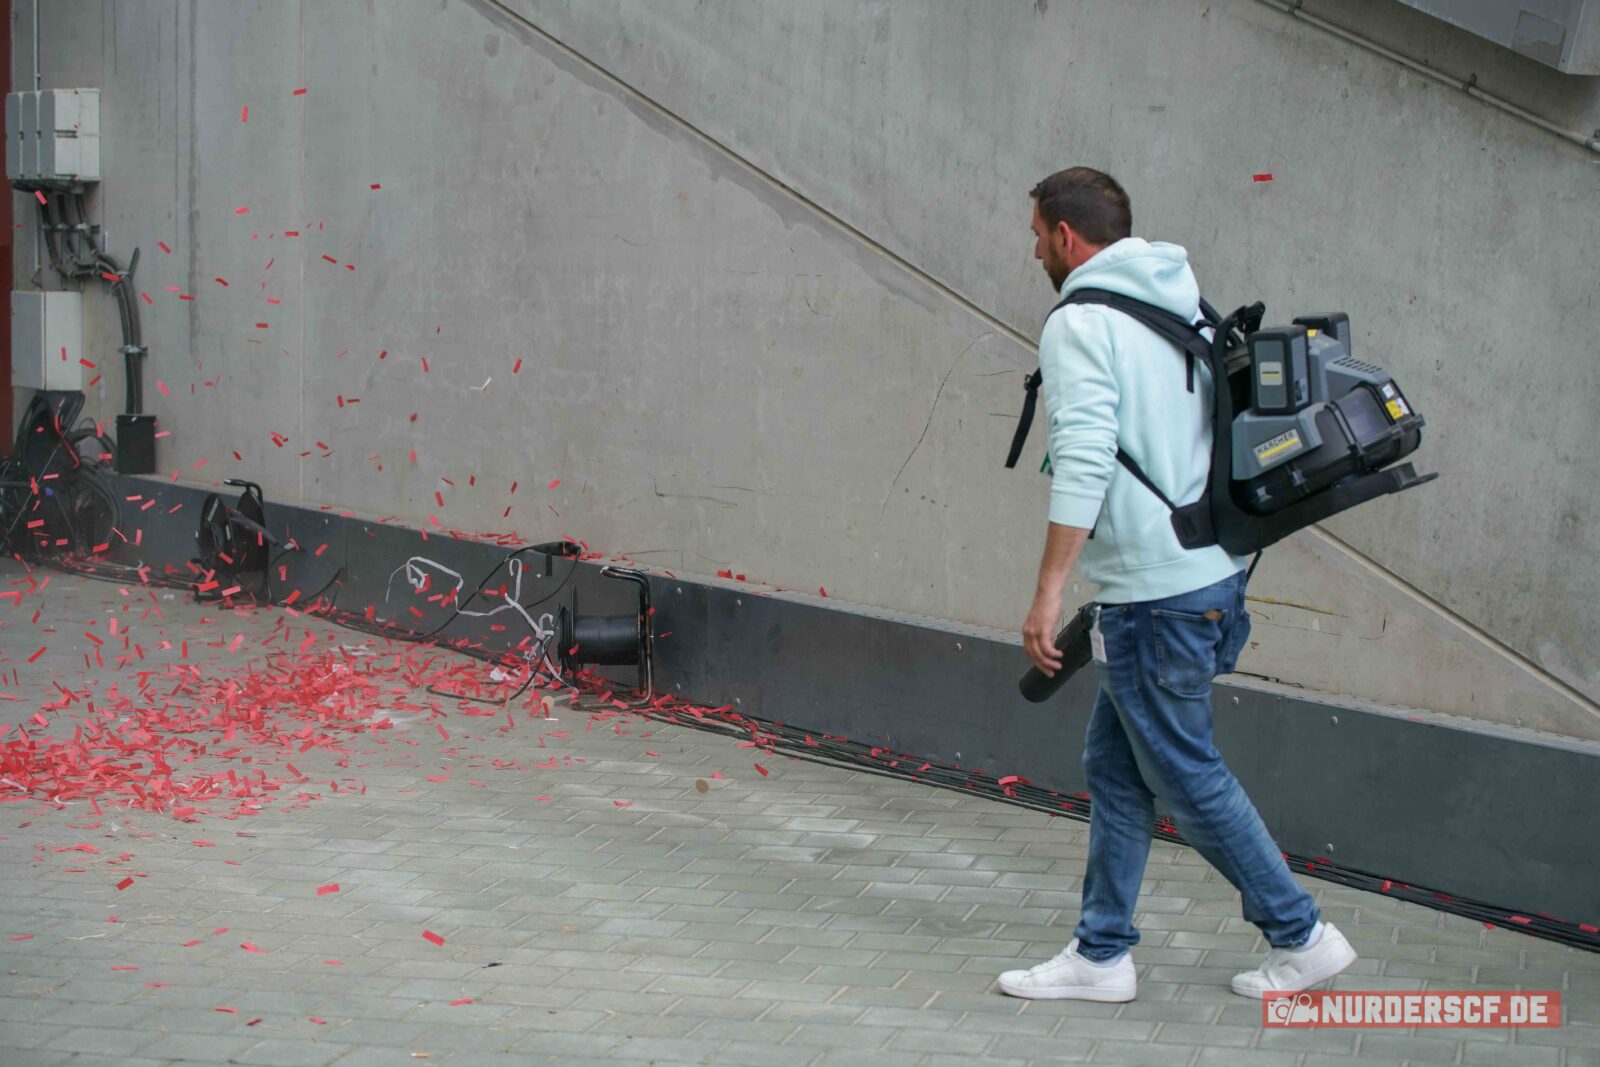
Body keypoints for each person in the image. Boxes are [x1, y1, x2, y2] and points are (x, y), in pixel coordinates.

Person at [996, 166, 1358, 1003]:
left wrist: (1048, 590)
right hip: (1207, 575)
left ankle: (1301, 933)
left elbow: (1086, 455)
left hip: (1156, 595)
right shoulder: (1178, 299)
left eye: (1036, 238)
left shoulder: (1082, 320)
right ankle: (1102, 954)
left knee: (1187, 772)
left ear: (1065, 236)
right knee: (1117, 767)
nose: (1036, 254)